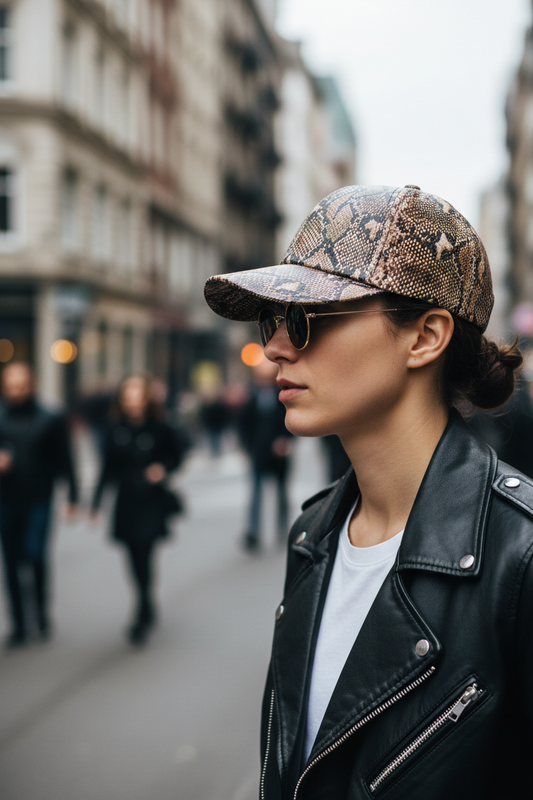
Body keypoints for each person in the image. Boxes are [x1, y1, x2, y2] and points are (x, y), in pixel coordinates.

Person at [204, 184, 533, 799]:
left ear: (425, 337)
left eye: (305, 320)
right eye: (272, 320)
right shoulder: (314, 532)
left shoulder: (522, 554)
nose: (274, 346)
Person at [92, 374, 186, 645]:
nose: (133, 402)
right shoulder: (114, 429)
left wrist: (163, 469)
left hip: (151, 500)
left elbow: (177, 455)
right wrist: (96, 504)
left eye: (138, 396)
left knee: (145, 551)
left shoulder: (161, 427)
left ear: (146, 398)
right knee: (132, 555)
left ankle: (143, 608)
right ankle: (144, 596)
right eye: (128, 397)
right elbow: (107, 468)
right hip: (126, 500)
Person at [0, 362, 78, 647]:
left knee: (34, 555)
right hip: (6, 499)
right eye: (10, 386)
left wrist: (72, 497)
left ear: (31, 385)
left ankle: (41, 614)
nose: (15, 391)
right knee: (11, 561)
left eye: (20, 385)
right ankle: (18, 624)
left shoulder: (50, 418)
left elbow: (66, 460)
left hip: (39, 498)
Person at [239, 359, 293, 551]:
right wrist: (246, 448)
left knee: (282, 494)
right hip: (258, 453)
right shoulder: (252, 396)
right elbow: (244, 424)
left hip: (279, 454)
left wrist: (286, 439)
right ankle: (253, 532)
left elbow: (293, 418)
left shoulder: (283, 393)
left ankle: (283, 530)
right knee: (255, 494)